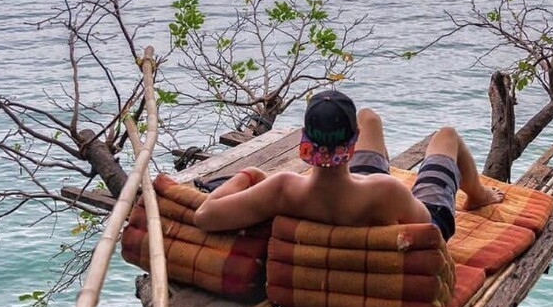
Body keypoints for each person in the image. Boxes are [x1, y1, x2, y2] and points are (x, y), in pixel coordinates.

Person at [193, 89, 503, 238]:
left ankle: (349, 133)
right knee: (446, 136)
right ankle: (478, 196)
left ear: (305, 140)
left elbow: (205, 216)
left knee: (368, 116)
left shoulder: (282, 188)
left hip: (352, 192)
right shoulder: (386, 190)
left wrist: (248, 175)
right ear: (351, 141)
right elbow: (428, 232)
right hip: (394, 209)